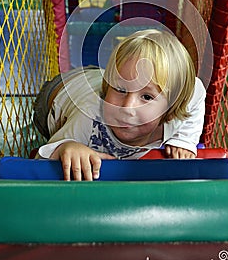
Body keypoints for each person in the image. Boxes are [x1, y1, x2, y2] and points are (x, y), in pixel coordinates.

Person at [34, 29, 206, 181]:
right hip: (56, 96)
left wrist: (184, 140)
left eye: (146, 97)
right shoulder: (89, 116)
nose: (127, 107)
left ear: (173, 106)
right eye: (120, 90)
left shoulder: (180, 101)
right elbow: (40, 160)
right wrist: (68, 146)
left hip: (96, 80)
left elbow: (197, 91)